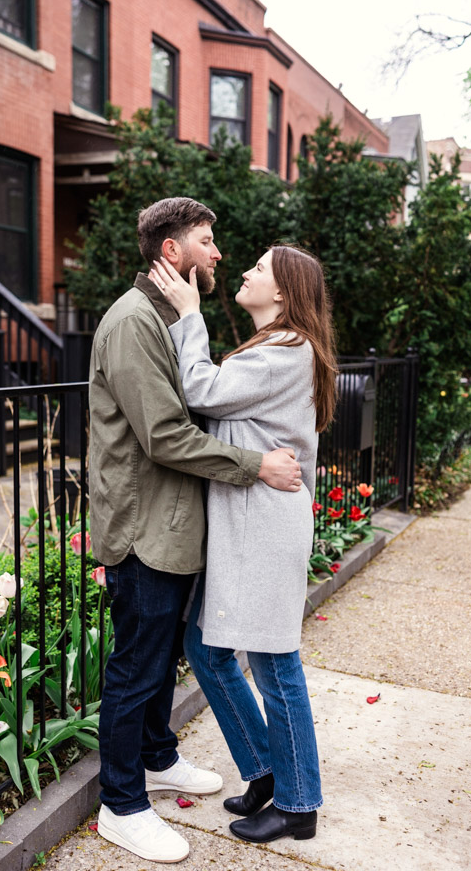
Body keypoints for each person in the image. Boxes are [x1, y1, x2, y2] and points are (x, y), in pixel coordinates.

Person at [89, 198, 302, 864]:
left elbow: (207, 399)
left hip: (176, 525)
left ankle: (156, 757)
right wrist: (254, 466)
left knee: (157, 661)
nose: (216, 254)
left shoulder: (167, 319)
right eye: (205, 242)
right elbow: (163, 435)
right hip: (146, 527)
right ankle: (120, 805)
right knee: (135, 668)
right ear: (171, 251)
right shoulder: (132, 323)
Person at [149, 243, 337, 844]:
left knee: (275, 663)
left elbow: (203, 390)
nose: (246, 271)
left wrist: (187, 314)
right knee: (205, 646)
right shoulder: (275, 346)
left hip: (262, 525)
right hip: (248, 519)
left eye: (259, 268)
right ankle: (266, 772)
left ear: (282, 292)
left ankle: (299, 803)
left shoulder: (288, 348)